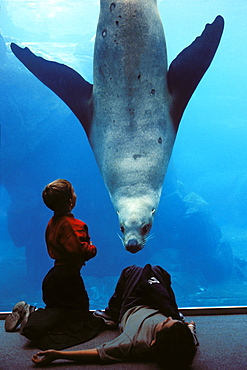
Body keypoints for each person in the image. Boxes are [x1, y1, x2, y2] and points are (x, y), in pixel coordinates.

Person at [32, 264, 199, 369]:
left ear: (153, 342)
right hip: (159, 304)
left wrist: (58, 355)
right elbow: (188, 338)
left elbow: (97, 353)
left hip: (133, 304)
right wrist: (189, 327)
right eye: (171, 322)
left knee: (131, 271)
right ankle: (176, 312)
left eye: (164, 324)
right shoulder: (180, 337)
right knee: (158, 272)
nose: (168, 320)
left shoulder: (132, 342)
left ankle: (112, 313)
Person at [5, 179, 102, 349]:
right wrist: (92, 248)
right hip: (68, 277)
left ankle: (30, 312)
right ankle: (33, 319)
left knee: (60, 311)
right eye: (73, 192)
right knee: (81, 318)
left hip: (54, 275)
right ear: (71, 201)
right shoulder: (73, 225)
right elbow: (77, 250)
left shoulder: (52, 222)